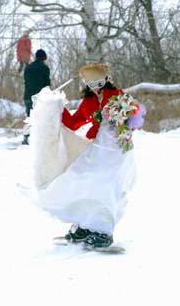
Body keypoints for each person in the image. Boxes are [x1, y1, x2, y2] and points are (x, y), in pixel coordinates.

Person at [35, 62, 140, 248]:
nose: (96, 88)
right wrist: (57, 109)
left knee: (105, 184)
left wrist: (122, 121)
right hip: (98, 146)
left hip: (116, 148)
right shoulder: (89, 101)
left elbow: (134, 114)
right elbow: (75, 123)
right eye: (91, 85)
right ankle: (85, 222)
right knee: (79, 175)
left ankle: (103, 228)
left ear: (106, 81)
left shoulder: (117, 96)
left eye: (99, 83)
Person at [22, 49, 50, 144]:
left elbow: (25, 81)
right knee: (41, 117)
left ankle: (26, 137)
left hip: (28, 96)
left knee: (29, 116)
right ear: (44, 58)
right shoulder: (45, 68)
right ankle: (40, 138)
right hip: (40, 97)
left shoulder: (28, 68)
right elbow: (47, 85)